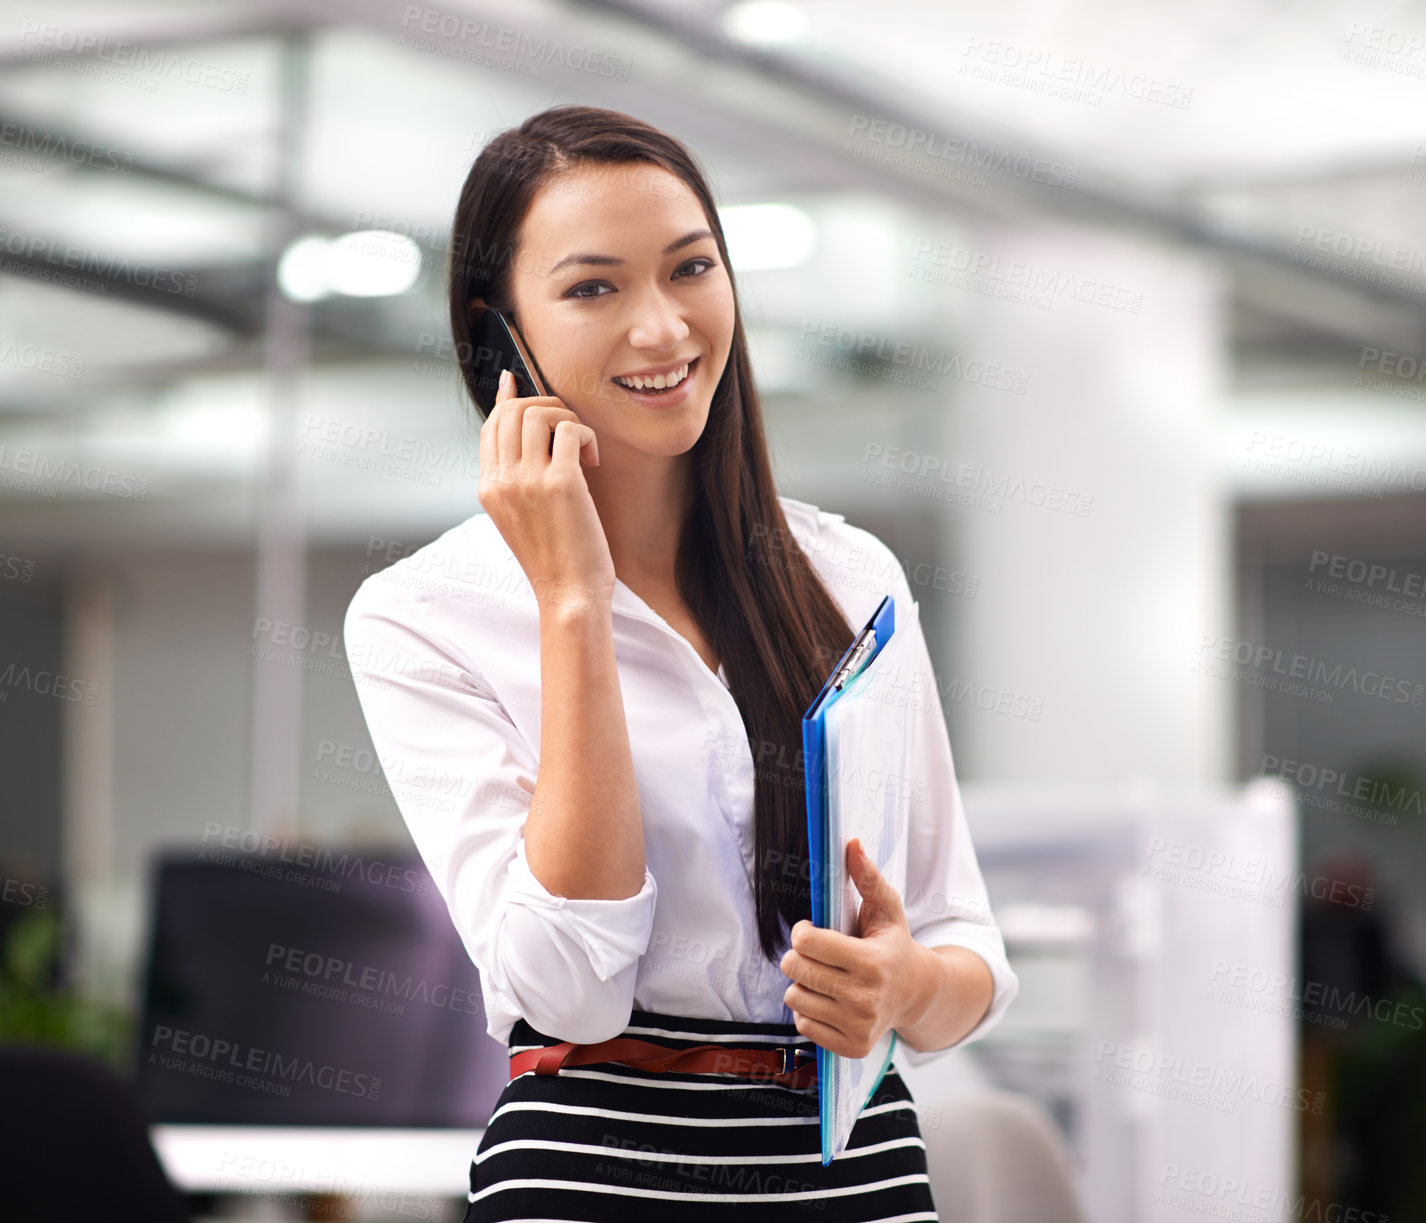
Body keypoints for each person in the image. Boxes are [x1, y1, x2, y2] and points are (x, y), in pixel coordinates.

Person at [343, 104, 1018, 1222]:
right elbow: (571, 984)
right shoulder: (423, 617)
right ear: (498, 334)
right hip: (598, 1174)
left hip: (855, 1164)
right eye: (593, 287)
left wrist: (901, 987)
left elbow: (963, 946)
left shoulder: (852, 579)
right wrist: (573, 600)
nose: (661, 329)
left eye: (690, 268)